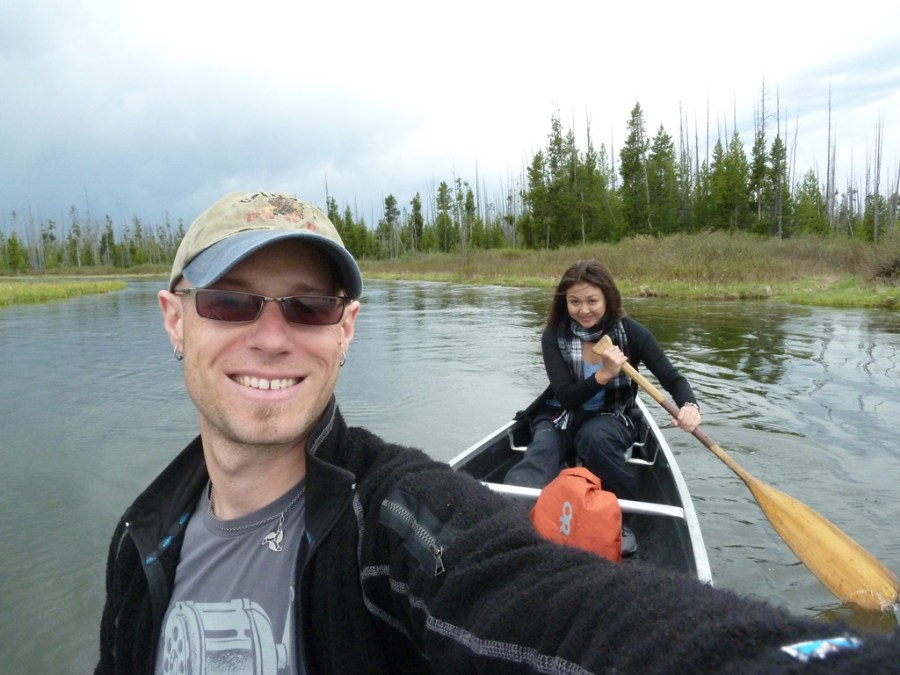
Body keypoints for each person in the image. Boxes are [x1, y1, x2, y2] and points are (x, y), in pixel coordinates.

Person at [96, 190, 899, 674]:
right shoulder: (142, 536)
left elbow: (542, 603)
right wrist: (596, 375)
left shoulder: (399, 521)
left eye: (307, 304)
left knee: (600, 449)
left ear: (345, 329)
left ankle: (590, 513)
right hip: (572, 409)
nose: (272, 336)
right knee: (557, 442)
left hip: (612, 422)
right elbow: (559, 391)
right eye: (232, 300)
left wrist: (673, 399)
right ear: (174, 319)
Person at [504, 259, 702, 556]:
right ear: (565, 303)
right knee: (542, 450)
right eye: (575, 302)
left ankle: (620, 518)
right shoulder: (554, 336)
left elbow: (673, 378)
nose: (584, 310)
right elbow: (567, 396)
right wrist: (605, 374)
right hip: (562, 413)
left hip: (612, 413)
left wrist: (689, 406)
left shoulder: (631, 332)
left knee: (595, 438)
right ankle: (508, 520)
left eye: (592, 300)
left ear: (607, 298)